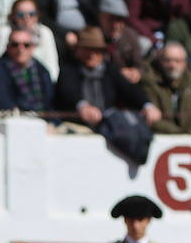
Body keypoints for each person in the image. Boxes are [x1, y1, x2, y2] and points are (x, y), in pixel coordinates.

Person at [55, 26, 157, 163]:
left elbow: (129, 90)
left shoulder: (110, 70)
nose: (92, 54)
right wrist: (82, 106)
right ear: (78, 50)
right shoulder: (69, 69)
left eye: (96, 50)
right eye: (87, 49)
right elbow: (68, 91)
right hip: (77, 127)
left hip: (107, 127)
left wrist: (147, 105)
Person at [139, 39, 191, 134]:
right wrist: (178, 134)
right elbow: (152, 118)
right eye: (167, 60)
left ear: (185, 63)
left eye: (177, 61)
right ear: (160, 61)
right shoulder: (149, 81)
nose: (172, 65)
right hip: (161, 136)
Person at [0, 23, 56, 114]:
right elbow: (3, 101)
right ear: (8, 47)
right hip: (14, 117)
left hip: (44, 117)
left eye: (26, 45)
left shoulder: (42, 70)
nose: (21, 49)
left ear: (32, 47)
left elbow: (50, 101)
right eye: (15, 45)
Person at [0, 0, 60, 80]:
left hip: (39, 81)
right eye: (21, 15)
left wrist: (47, 83)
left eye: (32, 14)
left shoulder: (45, 32)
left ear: (37, 15)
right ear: (13, 16)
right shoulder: (3, 33)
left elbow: (52, 66)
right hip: (8, 80)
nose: (27, 18)